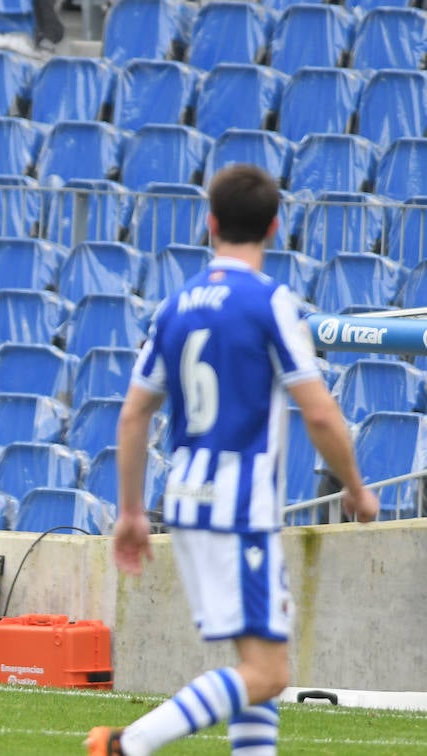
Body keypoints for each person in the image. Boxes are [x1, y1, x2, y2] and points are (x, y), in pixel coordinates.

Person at [87, 165, 379, 755]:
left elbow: (134, 415)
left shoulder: (175, 306)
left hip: (186, 501)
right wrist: (355, 486)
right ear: (274, 227)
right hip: (239, 507)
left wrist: (131, 512)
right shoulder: (269, 302)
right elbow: (320, 413)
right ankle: (127, 744)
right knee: (269, 673)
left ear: (211, 223)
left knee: (257, 664)